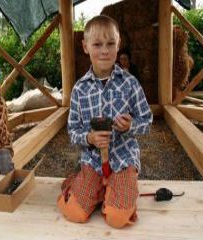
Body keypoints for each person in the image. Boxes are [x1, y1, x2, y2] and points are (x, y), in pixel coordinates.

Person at [57, 15, 153, 228]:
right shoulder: (79, 89)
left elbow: (147, 120)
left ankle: (115, 190)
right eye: (97, 44)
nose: (104, 50)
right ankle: (86, 185)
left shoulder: (129, 83)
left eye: (111, 44)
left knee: (117, 220)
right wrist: (89, 138)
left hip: (122, 158)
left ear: (118, 45)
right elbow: (73, 131)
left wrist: (131, 126)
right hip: (93, 161)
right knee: (75, 213)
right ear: (85, 46)